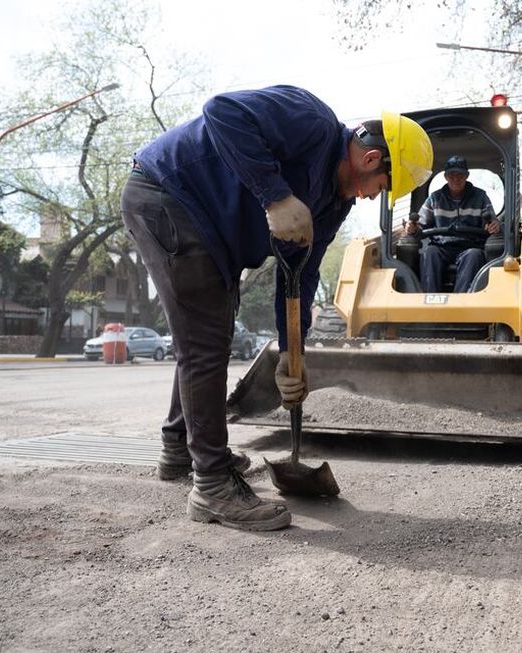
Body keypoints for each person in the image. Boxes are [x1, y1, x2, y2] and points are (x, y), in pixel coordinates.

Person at [120, 85, 432, 531]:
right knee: (205, 342)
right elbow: (221, 111)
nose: (369, 197)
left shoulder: (333, 202)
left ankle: (179, 450)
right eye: (380, 188)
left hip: (211, 233)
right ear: (370, 159)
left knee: (208, 334)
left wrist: (292, 352)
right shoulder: (311, 119)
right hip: (168, 194)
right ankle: (211, 487)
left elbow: (300, 273)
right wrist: (276, 196)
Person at [405, 155, 499, 293]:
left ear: (467, 176)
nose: (456, 179)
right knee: (429, 253)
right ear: (445, 177)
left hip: (469, 246)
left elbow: (491, 221)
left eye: (460, 175)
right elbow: (420, 225)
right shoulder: (434, 199)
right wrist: (412, 228)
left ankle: (460, 303)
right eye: (452, 175)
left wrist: (494, 225)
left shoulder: (481, 197)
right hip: (441, 247)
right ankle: (429, 301)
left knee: (474, 255)